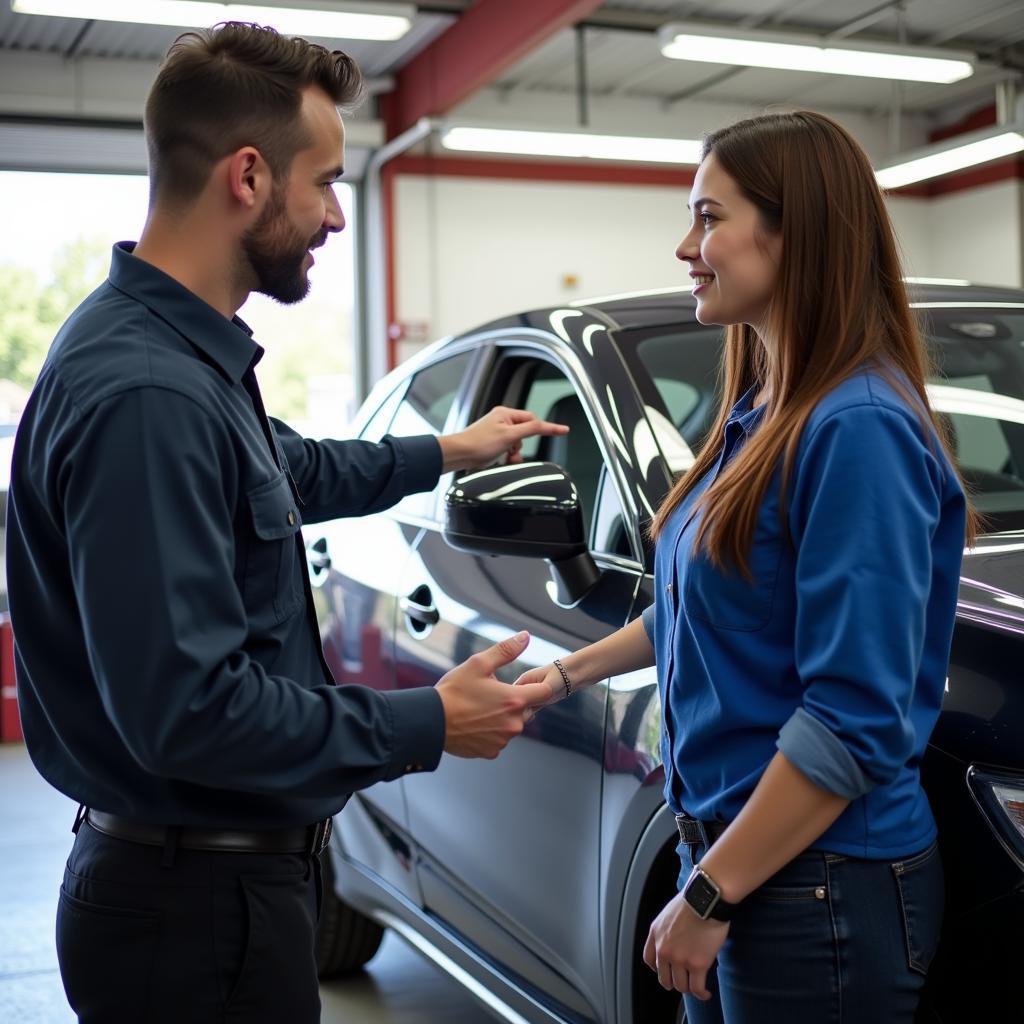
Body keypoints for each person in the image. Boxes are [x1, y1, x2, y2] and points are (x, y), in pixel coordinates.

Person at [5, 22, 563, 1024]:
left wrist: (445, 450)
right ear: (249, 177)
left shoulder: (176, 358)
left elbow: (287, 468)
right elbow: (191, 713)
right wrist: (430, 720)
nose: (337, 217)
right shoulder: (146, 393)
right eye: (327, 182)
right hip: (192, 920)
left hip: (209, 896)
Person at [516, 110, 972, 1022]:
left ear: (792, 231)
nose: (687, 245)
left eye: (709, 216)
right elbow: (706, 605)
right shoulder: (763, 413)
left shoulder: (860, 430)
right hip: (742, 861)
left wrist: (713, 892)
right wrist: (557, 675)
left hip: (817, 886)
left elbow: (853, 719)